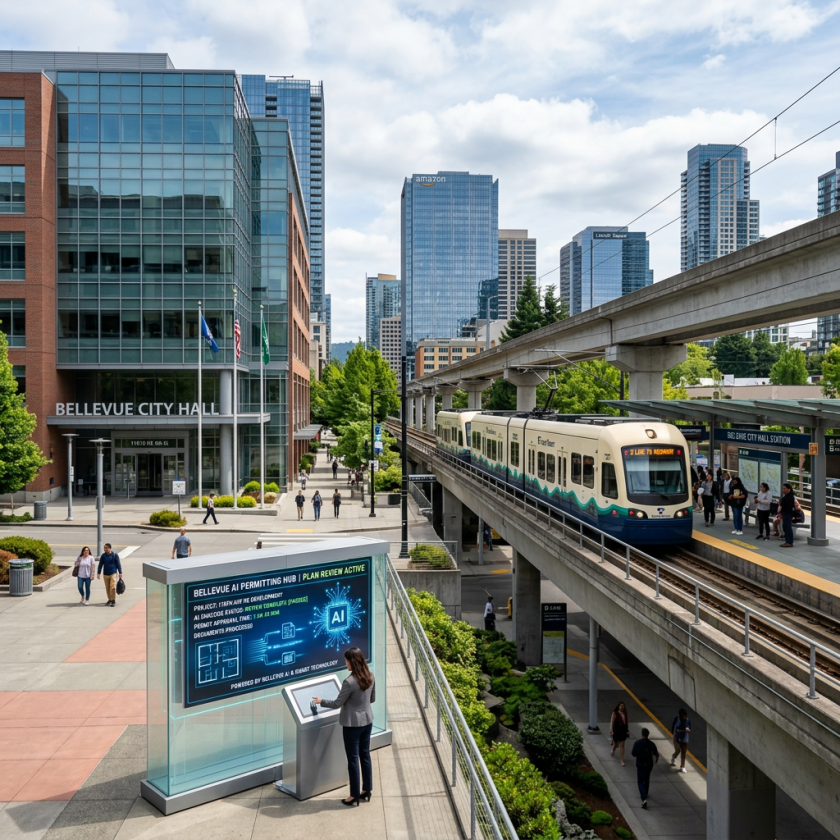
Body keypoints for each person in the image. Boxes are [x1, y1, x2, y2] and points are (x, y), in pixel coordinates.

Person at [313, 646, 375, 806]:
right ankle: (366, 790)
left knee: (353, 759)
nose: (345, 663)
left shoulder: (349, 682)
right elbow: (372, 699)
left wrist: (321, 701)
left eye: (346, 660)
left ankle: (354, 795)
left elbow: (337, 703)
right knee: (365, 755)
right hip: (367, 721)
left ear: (352, 662)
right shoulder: (370, 676)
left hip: (352, 725)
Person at [631, 728, 659, 809]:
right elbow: (656, 753)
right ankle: (645, 792)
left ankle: (643, 798)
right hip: (649, 764)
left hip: (640, 764)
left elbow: (633, 753)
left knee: (640, 781)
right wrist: (656, 758)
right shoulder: (651, 744)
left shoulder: (637, 743)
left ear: (642, 734)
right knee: (646, 779)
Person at [670, 708, 691, 773]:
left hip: (685, 738)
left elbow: (689, 728)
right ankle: (674, 756)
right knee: (678, 750)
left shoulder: (688, 721)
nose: (683, 718)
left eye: (684, 716)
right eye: (682, 716)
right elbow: (674, 728)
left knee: (683, 753)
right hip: (677, 738)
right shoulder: (676, 719)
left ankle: (682, 766)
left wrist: (687, 730)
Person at [610, 701, 630, 766]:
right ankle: (613, 750)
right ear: (618, 707)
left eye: (623, 706)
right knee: (615, 744)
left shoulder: (625, 713)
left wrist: (627, 730)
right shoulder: (615, 713)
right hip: (616, 730)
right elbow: (612, 722)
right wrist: (611, 731)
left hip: (623, 730)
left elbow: (626, 722)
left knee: (622, 745)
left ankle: (621, 760)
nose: (622, 707)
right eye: (621, 706)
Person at [779, 483, 796, 547]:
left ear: (789, 489)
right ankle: (787, 541)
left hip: (788, 513)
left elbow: (785, 504)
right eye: (783, 488)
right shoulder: (787, 496)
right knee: (785, 527)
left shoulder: (790, 496)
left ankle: (789, 541)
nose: (783, 490)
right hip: (785, 513)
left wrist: (781, 503)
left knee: (788, 527)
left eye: (784, 488)